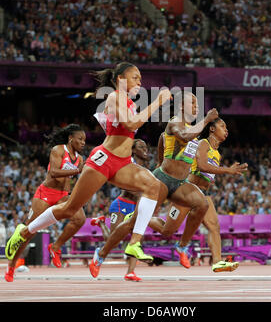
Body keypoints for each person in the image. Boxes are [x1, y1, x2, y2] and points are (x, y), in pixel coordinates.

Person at [5, 62, 172, 275]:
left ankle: (134, 243)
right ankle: (25, 230)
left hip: (122, 163)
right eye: (135, 77)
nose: (140, 81)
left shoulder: (129, 101)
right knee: (70, 209)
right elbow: (131, 124)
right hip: (104, 160)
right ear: (120, 79)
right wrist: (158, 101)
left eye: (140, 78)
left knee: (153, 186)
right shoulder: (114, 97)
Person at [88, 91, 218, 274]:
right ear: (182, 106)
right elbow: (184, 136)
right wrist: (206, 120)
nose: (197, 107)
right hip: (163, 180)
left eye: (198, 104)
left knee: (199, 207)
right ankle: (100, 255)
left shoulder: (192, 128)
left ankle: (182, 247)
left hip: (179, 183)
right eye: (193, 103)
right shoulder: (175, 122)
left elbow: (164, 142)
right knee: (132, 224)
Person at [161, 117, 248, 272]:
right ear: (212, 129)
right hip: (187, 192)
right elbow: (201, 166)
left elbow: (208, 172)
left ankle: (217, 262)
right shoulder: (203, 144)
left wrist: (213, 178)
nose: (226, 130)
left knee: (214, 226)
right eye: (222, 126)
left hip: (203, 195)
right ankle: (139, 217)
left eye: (227, 127)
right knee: (168, 230)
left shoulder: (217, 154)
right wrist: (228, 170)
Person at [5, 124, 86, 282]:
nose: (83, 142)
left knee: (80, 219)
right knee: (30, 231)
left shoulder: (80, 158)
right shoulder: (59, 150)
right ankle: (12, 265)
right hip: (45, 194)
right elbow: (54, 173)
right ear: (71, 139)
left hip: (63, 195)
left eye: (84, 140)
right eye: (80, 139)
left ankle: (56, 247)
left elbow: (71, 180)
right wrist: (77, 171)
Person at [92, 139, 149, 281]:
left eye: (146, 146)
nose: (145, 149)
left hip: (135, 207)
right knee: (113, 240)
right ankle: (101, 223)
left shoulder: (146, 169)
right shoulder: (129, 164)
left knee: (136, 240)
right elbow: (124, 185)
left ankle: (130, 272)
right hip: (121, 205)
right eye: (141, 147)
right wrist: (143, 195)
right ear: (134, 150)